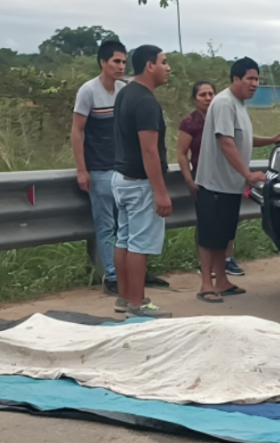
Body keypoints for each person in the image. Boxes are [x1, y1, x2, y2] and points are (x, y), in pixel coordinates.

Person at [193, 57, 280, 304]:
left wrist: (270, 139)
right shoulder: (224, 102)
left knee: (223, 235)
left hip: (229, 185)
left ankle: (222, 281)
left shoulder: (239, 104)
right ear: (236, 79)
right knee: (209, 236)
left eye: (257, 79)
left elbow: (242, 138)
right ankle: (206, 284)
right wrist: (247, 174)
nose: (255, 84)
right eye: (250, 78)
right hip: (215, 183)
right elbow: (225, 141)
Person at [112, 45, 173, 318]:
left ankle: (125, 298)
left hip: (121, 178)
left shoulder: (125, 92)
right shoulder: (146, 101)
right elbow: (149, 150)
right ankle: (138, 305)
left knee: (124, 240)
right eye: (164, 62)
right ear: (150, 66)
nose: (167, 67)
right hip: (140, 183)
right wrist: (160, 192)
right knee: (138, 244)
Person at [71, 41, 125, 299]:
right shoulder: (88, 91)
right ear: (103, 62)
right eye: (116, 61)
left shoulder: (124, 90)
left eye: (124, 62)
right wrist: (82, 170)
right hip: (99, 169)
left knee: (126, 224)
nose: (121, 67)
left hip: (124, 169)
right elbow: (77, 131)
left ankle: (130, 271)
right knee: (106, 225)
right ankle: (112, 276)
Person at [177, 81, 239, 278]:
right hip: (202, 178)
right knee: (205, 223)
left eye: (211, 93)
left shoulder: (222, 115)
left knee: (226, 222)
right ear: (194, 99)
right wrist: (189, 179)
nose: (208, 98)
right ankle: (205, 264)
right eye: (202, 95)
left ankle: (226, 260)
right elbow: (181, 153)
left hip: (222, 177)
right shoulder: (190, 122)